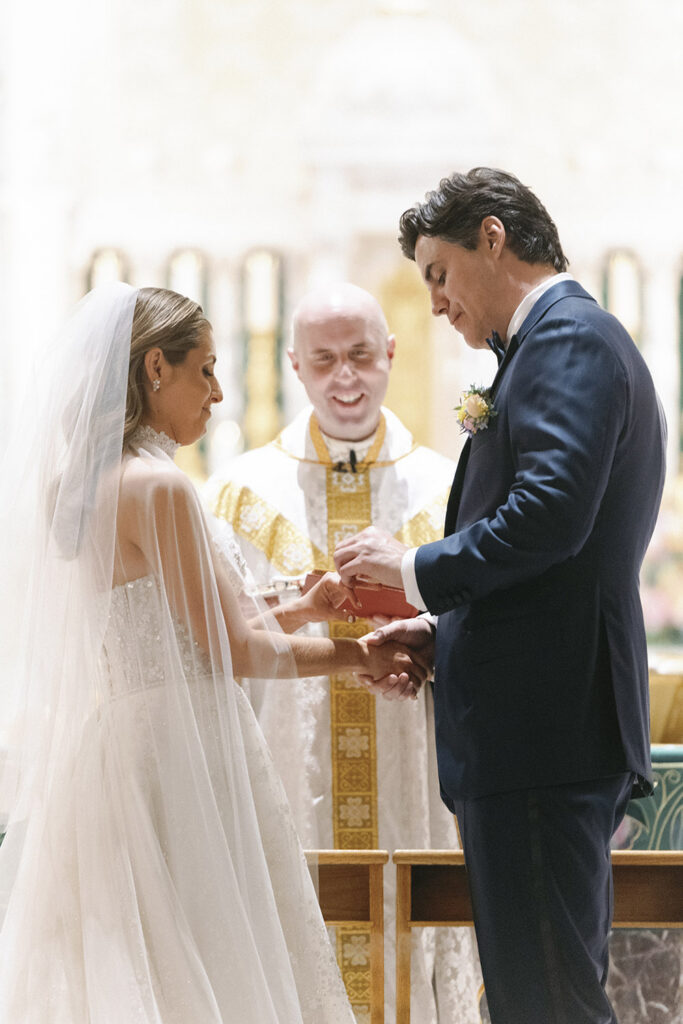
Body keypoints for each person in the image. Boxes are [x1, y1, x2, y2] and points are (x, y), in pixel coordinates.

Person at [0, 283, 422, 1023]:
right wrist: (359, 657)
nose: (220, 393)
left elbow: (168, 622)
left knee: (151, 970)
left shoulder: (82, 486)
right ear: (155, 369)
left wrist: (299, 608)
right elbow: (229, 652)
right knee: (218, 964)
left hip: (122, 750)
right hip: (187, 751)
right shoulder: (161, 486)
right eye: (206, 370)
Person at [334, 168, 667, 1024]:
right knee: (540, 991)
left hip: (540, 735)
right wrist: (443, 636)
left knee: (546, 1000)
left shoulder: (566, 340)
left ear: (491, 238)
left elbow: (549, 516)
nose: (436, 303)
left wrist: (412, 570)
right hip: (542, 724)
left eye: (438, 274)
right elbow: (557, 568)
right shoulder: (552, 344)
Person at [208, 283, 482, 1023]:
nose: (345, 378)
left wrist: (431, 641)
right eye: (324, 360)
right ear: (294, 366)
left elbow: (482, 618)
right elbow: (212, 634)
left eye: (361, 355)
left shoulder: (444, 483)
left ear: (390, 354)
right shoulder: (240, 492)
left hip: (410, 764)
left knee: (409, 943)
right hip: (286, 772)